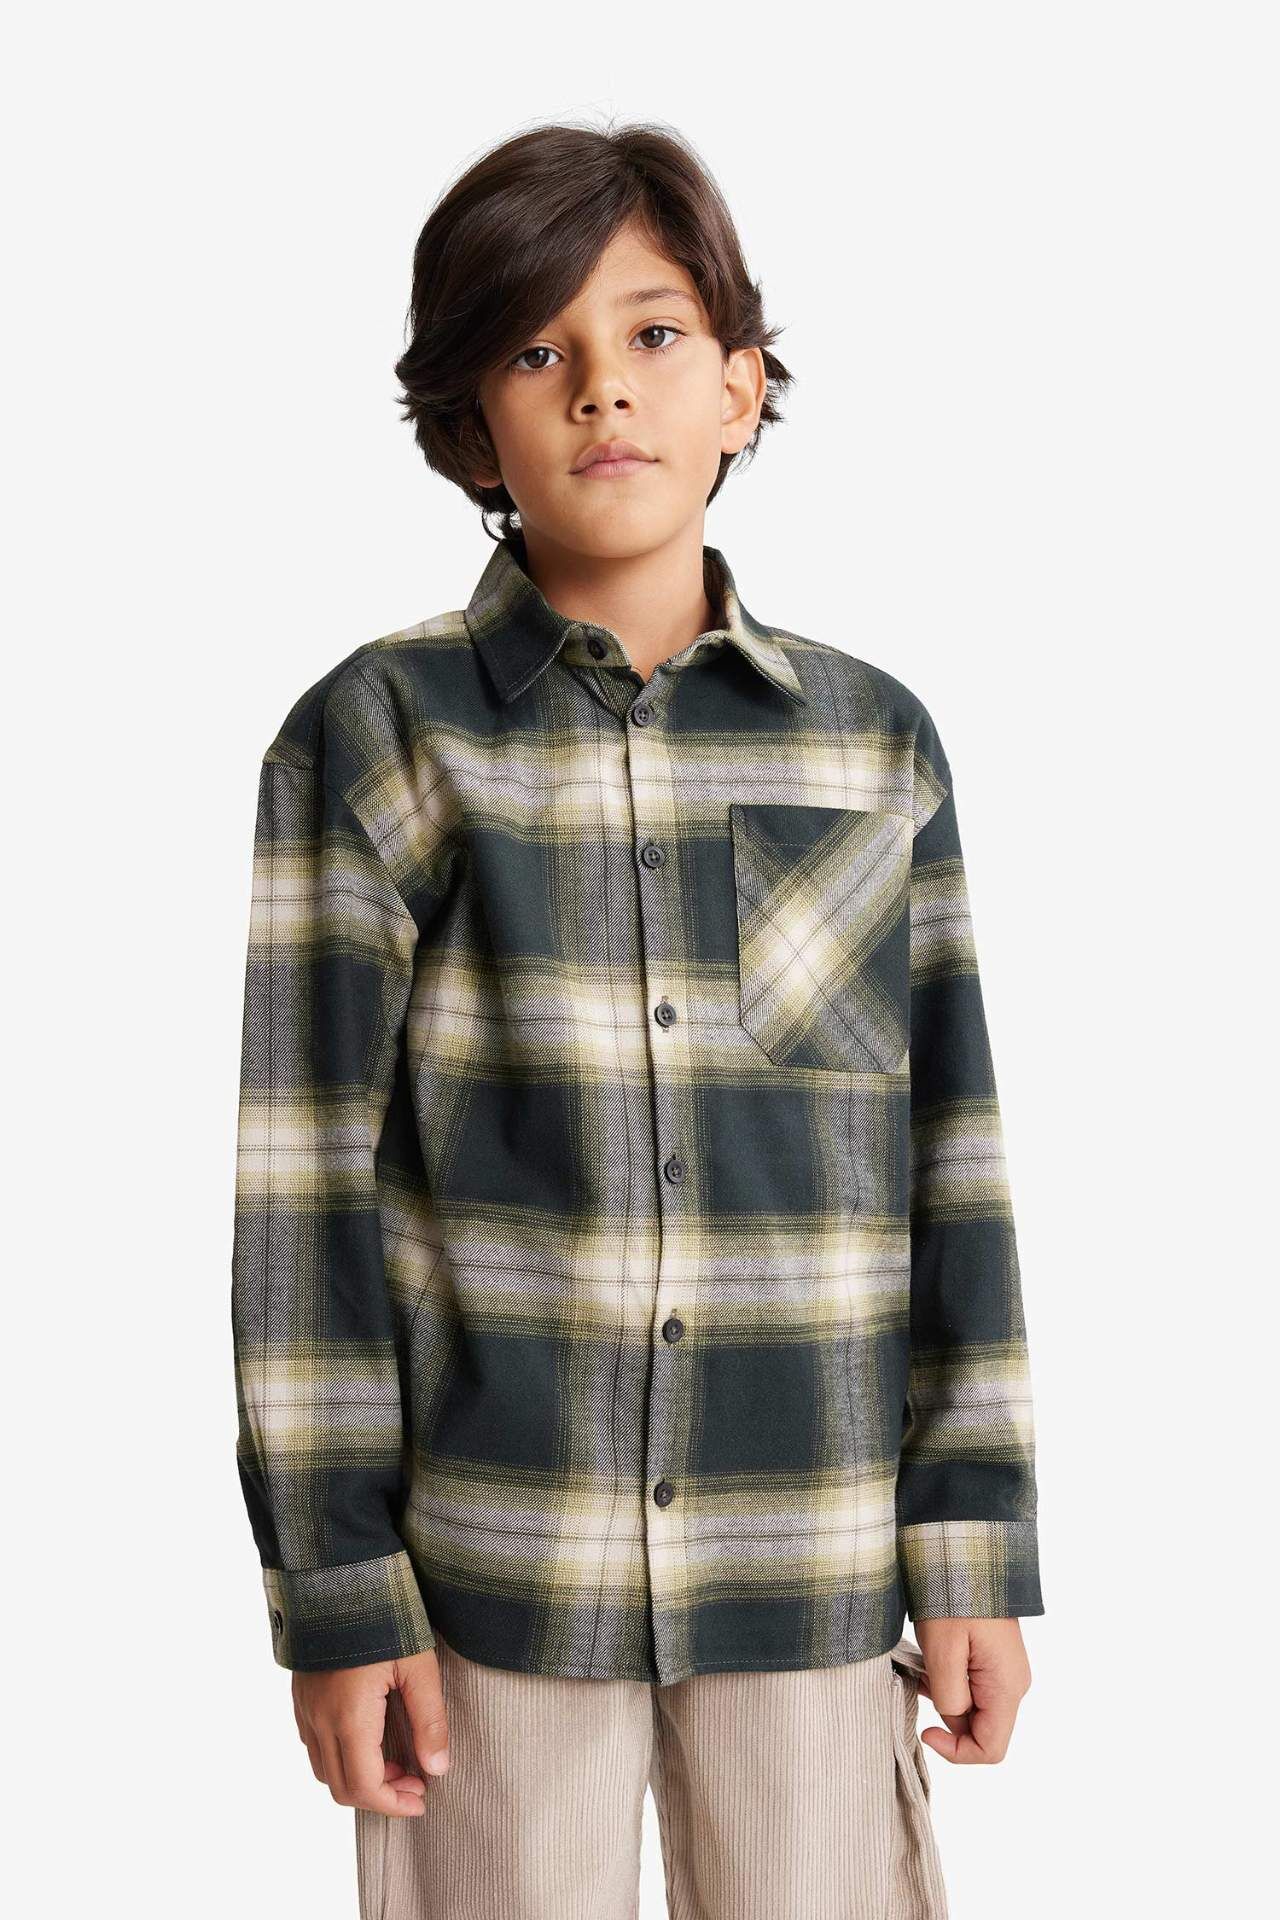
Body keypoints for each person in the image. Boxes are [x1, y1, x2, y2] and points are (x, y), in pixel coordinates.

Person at [230, 117, 1043, 1920]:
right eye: (538, 352)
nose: (604, 387)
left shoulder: (873, 745)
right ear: (471, 428)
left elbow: (951, 1164)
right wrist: (336, 1588)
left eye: (656, 335)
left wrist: (972, 1538)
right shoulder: (377, 738)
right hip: (492, 1574)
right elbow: (305, 1198)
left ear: (743, 387)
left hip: (809, 1555)